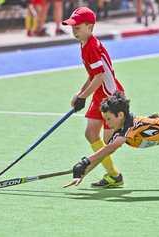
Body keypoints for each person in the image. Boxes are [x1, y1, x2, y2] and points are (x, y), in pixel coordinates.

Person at [62, 7, 126, 188]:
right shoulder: (84, 44)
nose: (74, 30)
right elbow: (93, 74)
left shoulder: (91, 46)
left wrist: (83, 97)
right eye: (72, 27)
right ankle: (114, 175)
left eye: (78, 27)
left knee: (108, 141)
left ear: (90, 27)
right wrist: (79, 94)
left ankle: (131, 133)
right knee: (91, 134)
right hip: (99, 94)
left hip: (110, 97)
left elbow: (99, 78)